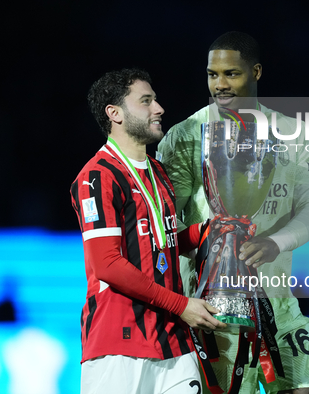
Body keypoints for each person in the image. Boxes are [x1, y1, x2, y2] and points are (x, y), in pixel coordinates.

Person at [157, 33, 309, 394]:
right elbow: (166, 224)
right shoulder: (185, 135)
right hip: (213, 306)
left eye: (231, 74)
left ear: (257, 72)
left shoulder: (291, 133)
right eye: (212, 74)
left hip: (277, 300)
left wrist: (276, 243)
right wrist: (210, 240)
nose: (220, 84)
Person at [71, 68, 226, 394]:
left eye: (155, 99)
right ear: (115, 114)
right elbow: (108, 265)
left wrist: (209, 230)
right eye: (146, 101)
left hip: (173, 343)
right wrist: (182, 305)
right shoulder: (97, 177)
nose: (159, 108)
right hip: (118, 345)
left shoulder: (157, 171)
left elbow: (160, 243)